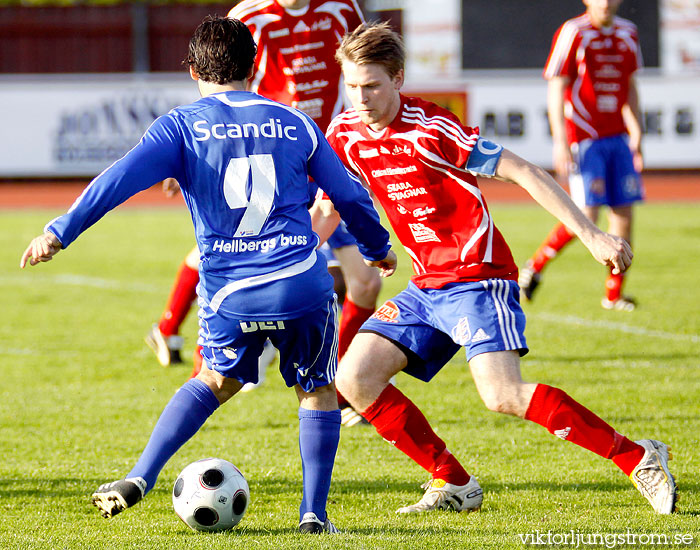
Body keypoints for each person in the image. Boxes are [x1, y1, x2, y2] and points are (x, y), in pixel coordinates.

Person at [20, 16, 397, 533]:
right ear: (257, 65)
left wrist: (58, 232)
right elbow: (351, 195)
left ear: (194, 69)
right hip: (301, 284)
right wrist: (378, 247)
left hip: (231, 295)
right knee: (317, 391)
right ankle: (313, 515)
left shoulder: (181, 126)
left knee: (214, 379)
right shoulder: (297, 123)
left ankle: (139, 477)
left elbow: (116, 182)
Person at [318, 21, 676, 515]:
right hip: (426, 287)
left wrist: (591, 234)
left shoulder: (433, 129)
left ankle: (638, 457)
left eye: (372, 85)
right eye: (352, 87)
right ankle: (454, 483)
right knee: (354, 378)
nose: (360, 98)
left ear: (398, 79)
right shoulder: (343, 133)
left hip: (477, 278)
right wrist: (281, 262)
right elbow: (328, 207)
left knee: (503, 394)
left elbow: (525, 171)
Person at [147, 0, 382, 408]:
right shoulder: (249, 15)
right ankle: (198, 361)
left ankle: (339, 385)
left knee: (365, 281)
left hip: (327, 154)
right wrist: (189, 156)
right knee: (235, 247)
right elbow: (219, 83)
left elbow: (361, 65)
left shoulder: (341, 9)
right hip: (273, 159)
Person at [518, 0, 644, 312]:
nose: (607, 2)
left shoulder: (629, 33)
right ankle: (534, 266)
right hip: (585, 137)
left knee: (624, 217)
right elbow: (556, 86)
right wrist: (560, 140)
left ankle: (613, 295)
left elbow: (629, 85)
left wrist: (637, 131)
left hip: (618, 137)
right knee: (587, 214)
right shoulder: (573, 32)